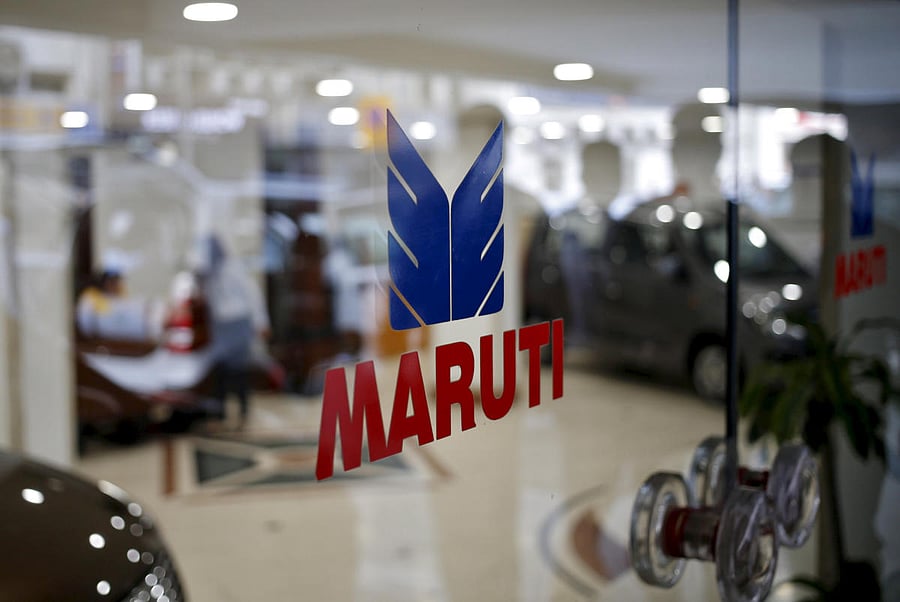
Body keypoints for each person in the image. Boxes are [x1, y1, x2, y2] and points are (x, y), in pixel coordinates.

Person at [201, 235, 270, 426]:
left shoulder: (234, 269)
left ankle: (243, 412)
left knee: (239, 370)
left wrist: (261, 322)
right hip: (220, 326)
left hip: (238, 323)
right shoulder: (209, 273)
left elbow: (253, 296)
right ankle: (220, 413)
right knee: (221, 371)